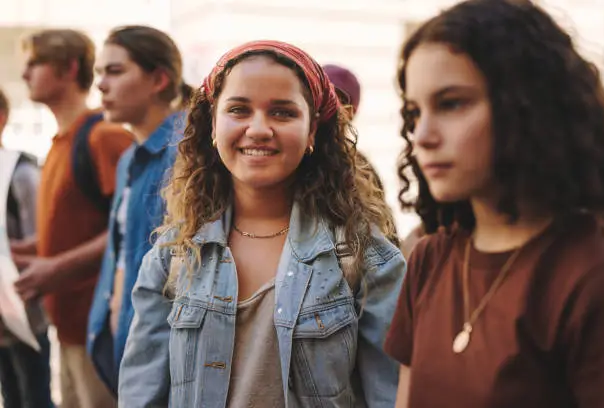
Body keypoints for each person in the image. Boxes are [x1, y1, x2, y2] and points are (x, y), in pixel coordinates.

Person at [118, 40, 405, 407]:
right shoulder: (172, 257)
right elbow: (140, 396)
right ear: (212, 125)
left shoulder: (367, 259)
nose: (258, 129)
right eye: (238, 110)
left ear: (313, 130)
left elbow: (392, 395)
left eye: (283, 113)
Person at [384, 1, 604, 407]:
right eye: (414, 112)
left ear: (526, 105)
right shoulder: (430, 258)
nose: (422, 135)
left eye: (451, 103)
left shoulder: (590, 275)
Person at [12, 29, 132, 408]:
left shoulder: (103, 136)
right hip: (65, 330)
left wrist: (55, 267)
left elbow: (132, 232)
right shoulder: (59, 141)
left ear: (69, 68)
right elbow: (79, 226)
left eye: (35, 63)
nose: (25, 74)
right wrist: (22, 251)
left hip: (100, 333)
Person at [87, 25, 192, 394]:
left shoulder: (188, 155)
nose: (100, 84)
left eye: (114, 71)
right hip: (123, 344)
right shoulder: (130, 157)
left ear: (159, 79)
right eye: (99, 72)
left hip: (164, 359)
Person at [0, 89, 53, 408]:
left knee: (34, 396)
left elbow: (42, 245)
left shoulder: (21, 173)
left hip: (24, 311)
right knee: (11, 395)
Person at [323, 63, 398, 245]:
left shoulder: (361, 169)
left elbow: (386, 237)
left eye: (334, 103)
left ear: (348, 113)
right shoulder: (289, 157)